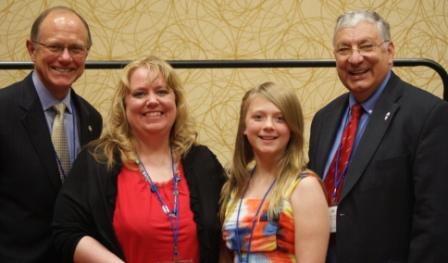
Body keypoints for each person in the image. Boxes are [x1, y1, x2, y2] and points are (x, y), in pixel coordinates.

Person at [52, 55, 225, 263]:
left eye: (161, 91)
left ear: (175, 102)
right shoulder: (97, 160)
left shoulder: (202, 162)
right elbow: (66, 232)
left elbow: (230, 226)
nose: (152, 101)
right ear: (124, 106)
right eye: (140, 93)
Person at [308, 10, 448, 262]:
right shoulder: (323, 120)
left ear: (390, 52)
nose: (355, 58)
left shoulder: (427, 115)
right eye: (343, 49)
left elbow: (435, 220)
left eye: (365, 46)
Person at [0, 6, 102, 263]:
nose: (66, 58)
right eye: (55, 47)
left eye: (76, 48)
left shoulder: (92, 119)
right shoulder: (3, 110)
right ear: (31, 49)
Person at [221, 82, 329, 262]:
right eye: (258, 117)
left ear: (292, 129)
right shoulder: (236, 185)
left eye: (280, 118)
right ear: (244, 128)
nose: (269, 125)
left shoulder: (304, 187)